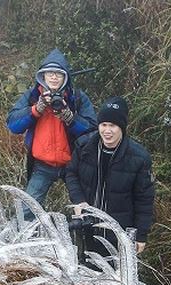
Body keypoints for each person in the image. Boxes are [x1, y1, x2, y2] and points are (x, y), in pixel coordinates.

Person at [7, 48, 96, 219]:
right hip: (43, 165)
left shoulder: (76, 97)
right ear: (43, 76)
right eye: (50, 73)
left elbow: (93, 130)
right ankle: (25, 242)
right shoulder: (33, 96)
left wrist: (70, 118)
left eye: (59, 73)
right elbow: (12, 124)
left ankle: (84, 241)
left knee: (85, 210)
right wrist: (35, 110)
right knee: (26, 211)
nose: (54, 77)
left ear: (65, 77)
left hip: (73, 165)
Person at [65, 96, 155, 263]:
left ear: (122, 128)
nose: (107, 131)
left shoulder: (139, 157)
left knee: (114, 278)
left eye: (112, 126)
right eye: (103, 125)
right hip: (87, 227)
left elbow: (145, 200)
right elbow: (70, 173)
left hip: (118, 233)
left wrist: (141, 235)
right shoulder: (84, 146)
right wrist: (79, 201)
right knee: (85, 273)